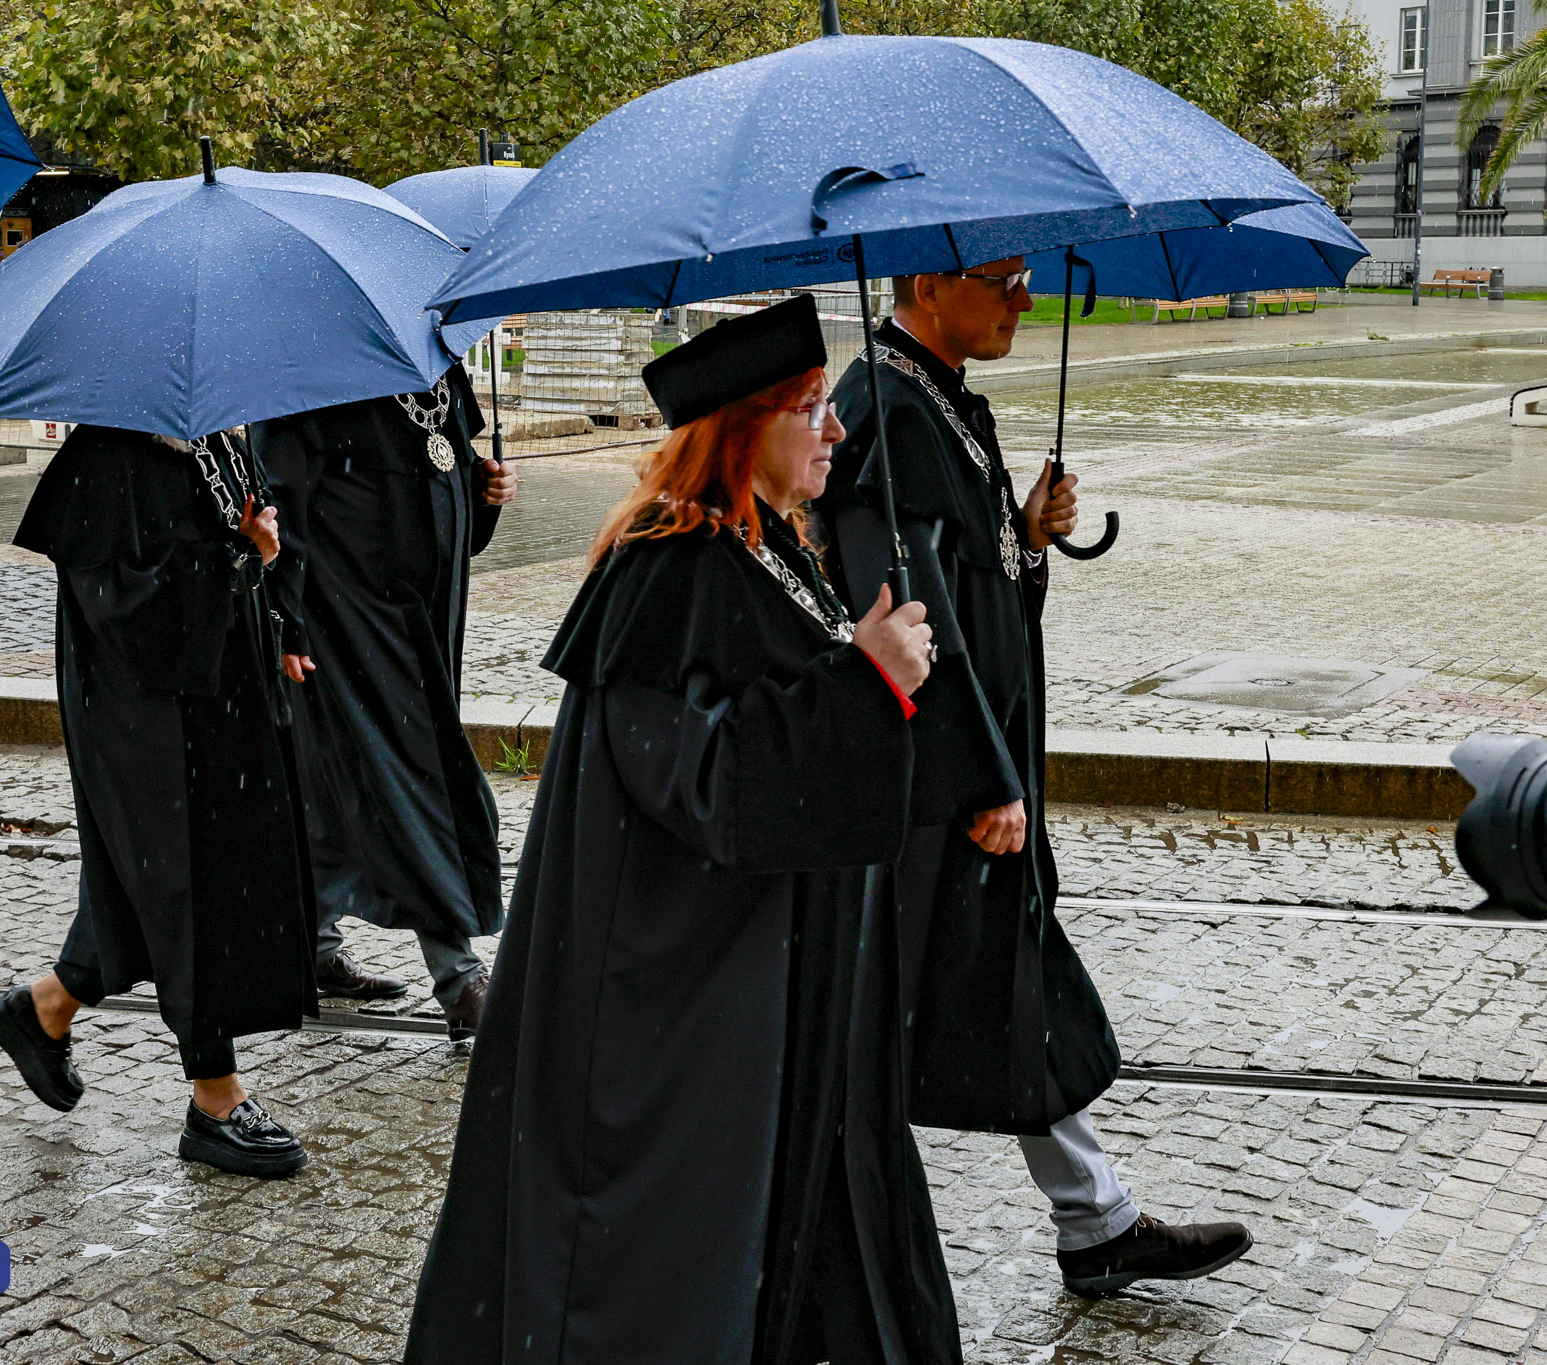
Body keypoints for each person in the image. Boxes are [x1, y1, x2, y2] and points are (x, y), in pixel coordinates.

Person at [406, 296, 954, 1364]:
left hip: (749, 987)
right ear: (741, 429)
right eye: (808, 407)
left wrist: (865, 674)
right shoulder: (667, 564)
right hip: (662, 1014)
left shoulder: (769, 546)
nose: (834, 428)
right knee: (651, 1271)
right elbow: (702, 786)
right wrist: (861, 684)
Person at [818, 261, 1253, 1297]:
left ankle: (1091, 1218)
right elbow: (908, 613)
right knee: (893, 1007)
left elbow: (968, 578)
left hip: (967, 766)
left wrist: (1021, 535)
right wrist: (979, 776)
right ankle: (811, 1236)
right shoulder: (882, 405)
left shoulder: (933, 398)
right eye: (1005, 280)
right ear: (929, 282)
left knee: (992, 984)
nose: (1024, 301)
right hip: (934, 782)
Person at [0, 423, 315, 1178]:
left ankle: (45, 1007)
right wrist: (239, 556)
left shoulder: (221, 440)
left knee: (172, 872)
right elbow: (131, 605)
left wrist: (280, 615)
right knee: (177, 875)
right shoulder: (106, 460)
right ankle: (214, 1095)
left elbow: (259, 541)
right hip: (145, 711)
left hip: (223, 690)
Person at [253, 365, 516, 1041]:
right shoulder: (306, 370)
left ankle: (310, 948)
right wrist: (286, 621)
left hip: (426, 616)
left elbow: (446, 482)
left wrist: (484, 494)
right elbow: (285, 502)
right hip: (349, 613)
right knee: (412, 780)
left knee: (349, 776)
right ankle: (460, 978)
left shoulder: (437, 365)